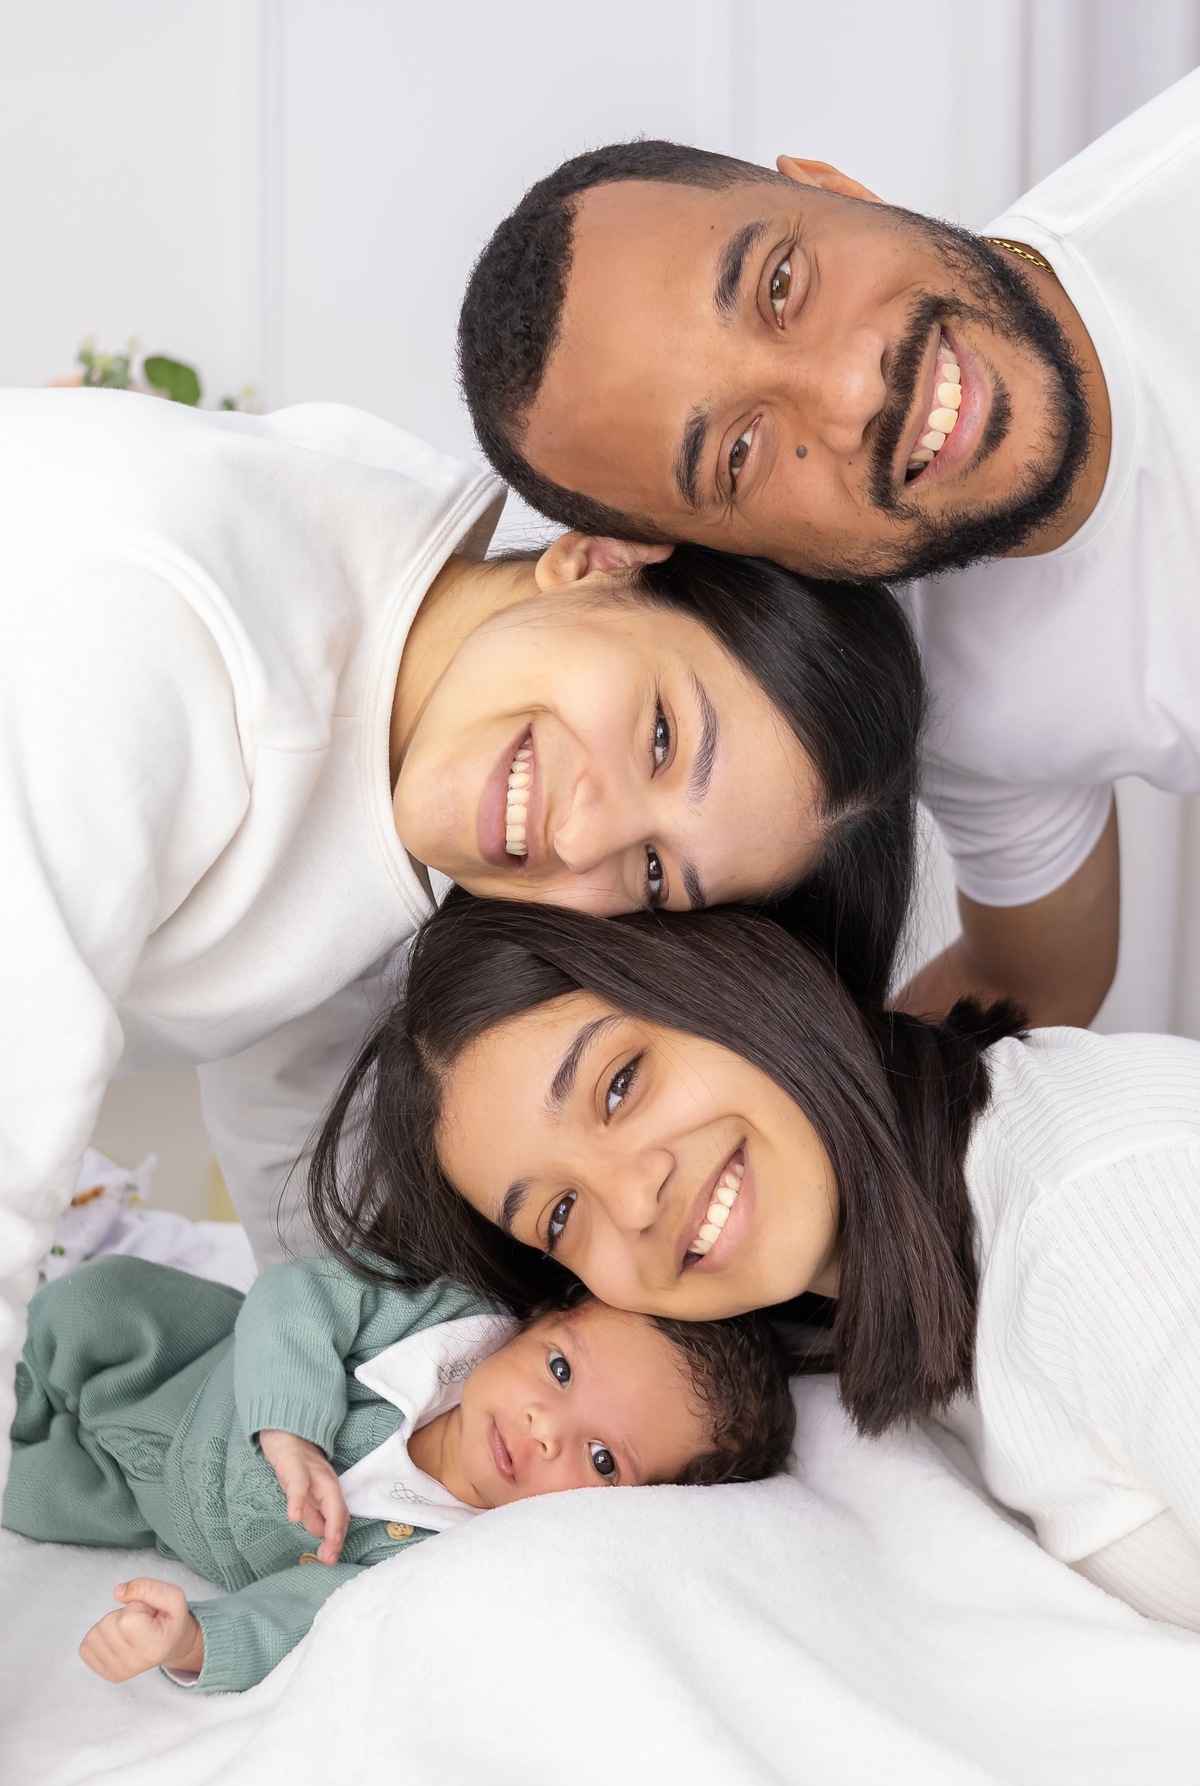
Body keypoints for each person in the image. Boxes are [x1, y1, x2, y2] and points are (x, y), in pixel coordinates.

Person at [0, 385, 924, 1486]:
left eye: (656, 875)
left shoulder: (408, 765)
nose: (584, 834)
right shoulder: (144, 630)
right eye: (664, 735)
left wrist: (369, 1420)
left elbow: (291, 1105)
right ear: (606, 559)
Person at [457, 69, 1200, 1032]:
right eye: (740, 450)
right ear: (699, 549)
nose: (853, 391)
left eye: (780, 284)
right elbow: (1036, 984)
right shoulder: (956, 697)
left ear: (833, 186)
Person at [308, 891, 1200, 1633]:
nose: (635, 1200)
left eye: (620, 1084)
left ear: (724, 966)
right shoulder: (848, 1302)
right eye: (562, 1213)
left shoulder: (1105, 1212)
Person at [4, 1250, 795, 1692]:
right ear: (539, 1322)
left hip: (151, 1507)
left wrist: (190, 1642)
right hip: (196, 1367)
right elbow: (301, 1291)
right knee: (90, 1303)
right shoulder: (438, 1322)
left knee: (27, 1498)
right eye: (558, 1370)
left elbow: (309, 1611)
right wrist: (294, 1428)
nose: (543, 1429)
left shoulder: (447, 1552)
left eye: (600, 1458)